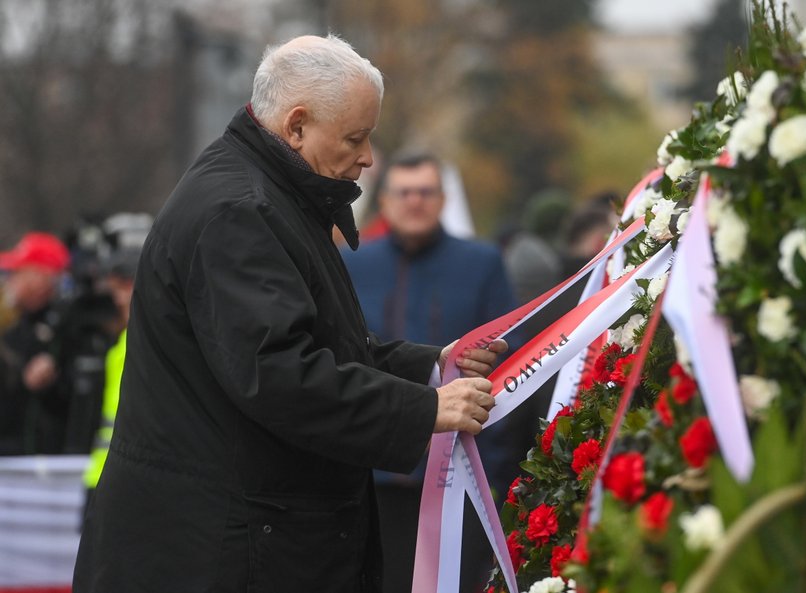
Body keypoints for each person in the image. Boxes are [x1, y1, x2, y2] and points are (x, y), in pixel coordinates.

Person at [73, 35, 505, 593]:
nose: (369, 156)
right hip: (223, 549)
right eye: (356, 137)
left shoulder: (267, 194)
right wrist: (425, 409)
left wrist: (433, 365)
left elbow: (327, 345)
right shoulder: (240, 210)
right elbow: (277, 372)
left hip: (243, 534)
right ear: (296, 126)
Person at [343, 152, 519, 593]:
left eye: (426, 192)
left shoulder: (481, 264)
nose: (415, 202)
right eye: (404, 192)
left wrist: (494, 474)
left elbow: (507, 364)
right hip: (368, 476)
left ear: (443, 200)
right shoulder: (350, 264)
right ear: (384, 200)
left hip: (458, 475)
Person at [81, 248, 141, 518]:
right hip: (106, 475)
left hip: (124, 479)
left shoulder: (142, 341)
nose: (116, 300)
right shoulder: (122, 342)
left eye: (122, 288)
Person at [0, 231, 71, 455]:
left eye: (17, 273)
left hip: (42, 461)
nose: (8, 280)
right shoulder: (13, 323)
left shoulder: (64, 330)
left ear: (41, 279)